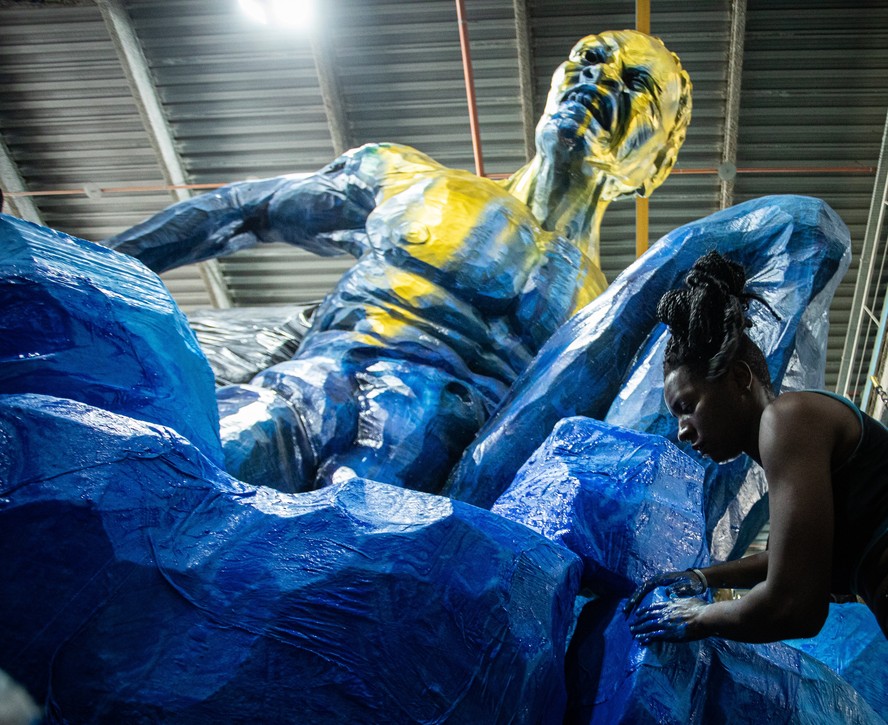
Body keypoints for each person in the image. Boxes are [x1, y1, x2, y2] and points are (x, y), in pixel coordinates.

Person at [105, 30, 692, 494]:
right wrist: (93, 271)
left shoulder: (614, 314)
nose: (600, 77)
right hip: (305, 392)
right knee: (157, 492)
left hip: (430, 472)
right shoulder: (414, 178)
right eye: (589, 57)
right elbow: (240, 209)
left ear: (658, 163)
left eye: (636, 83)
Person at [625, 251, 888, 642]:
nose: (682, 431)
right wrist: (702, 577)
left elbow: (793, 603)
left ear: (739, 377)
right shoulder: (788, 447)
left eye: (687, 407)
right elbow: (788, 560)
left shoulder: (788, 419)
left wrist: (699, 618)